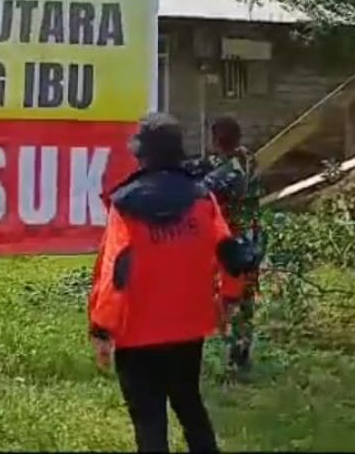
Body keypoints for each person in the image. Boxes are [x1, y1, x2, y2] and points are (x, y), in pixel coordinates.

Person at [88, 113, 261, 453]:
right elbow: (229, 253)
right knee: (190, 406)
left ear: (141, 155)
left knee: (150, 422)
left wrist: (101, 328)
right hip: (187, 328)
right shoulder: (202, 198)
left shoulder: (124, 205)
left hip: (136, 334)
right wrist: (227, 300)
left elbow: (115, 274)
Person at [196, 115, 265, 376]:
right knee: (243, 299)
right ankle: (240, 356)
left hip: (232, 245)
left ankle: (233, 359)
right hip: (251, 241)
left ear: (215, 140)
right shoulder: (248, 161)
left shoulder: (227, 172)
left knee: (229, 297)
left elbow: (201, 189)